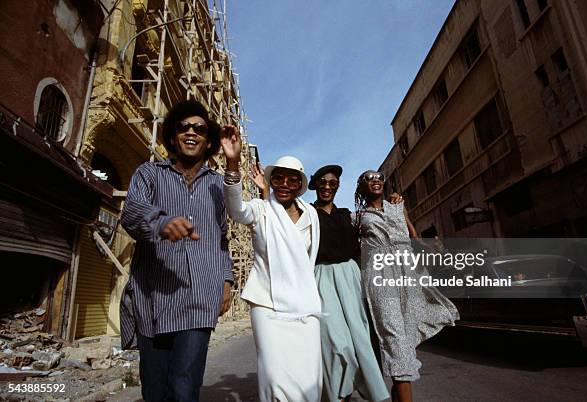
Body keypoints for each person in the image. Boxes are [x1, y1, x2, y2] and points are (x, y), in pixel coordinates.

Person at [120, 99, 233, 402]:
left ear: (208, 140)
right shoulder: (149, 174)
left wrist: (227, 281)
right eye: (183, 127)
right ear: (173, 136)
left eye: (199, 128)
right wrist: (161, 222)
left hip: (199, 297)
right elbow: (131, 212)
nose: (191, 132)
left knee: (184, 388)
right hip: (154, 298)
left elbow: (222, 238)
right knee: (155, 390)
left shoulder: (218, 187)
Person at [220, 127, 323, 402]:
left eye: (292, 179)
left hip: (304, 305)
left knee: (308, 375)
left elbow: (309, 260)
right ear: (272, 181)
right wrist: (232, 163)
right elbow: (235, 209)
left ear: (300, 184)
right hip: (267, 302)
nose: (285, 184)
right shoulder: (261, 210)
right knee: (275, 376)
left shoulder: (311, 216)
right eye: (279, 178)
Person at [354, 170, 459, 402]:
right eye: (369, 178)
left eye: (379, 177)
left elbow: (413, 235)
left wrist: (429, 247)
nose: (376, 180)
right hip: (380, 274)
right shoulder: (358, 216)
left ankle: (398, 392)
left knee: (407, 334)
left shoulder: (397, 205)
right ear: (361, 187)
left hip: (408, 272)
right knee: (395, 338)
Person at [309, 165, 390, 402]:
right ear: (315, 185)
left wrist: (392, 201)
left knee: (360, 339)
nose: (327, 186)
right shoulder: (307, 213)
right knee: (335, 342)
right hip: (321, 277)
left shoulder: (348, 215)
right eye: (322, 182)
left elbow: (377, 226)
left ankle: (358, 389)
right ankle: (336, 395)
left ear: (338, 187)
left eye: (332, 183)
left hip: (351, 277)